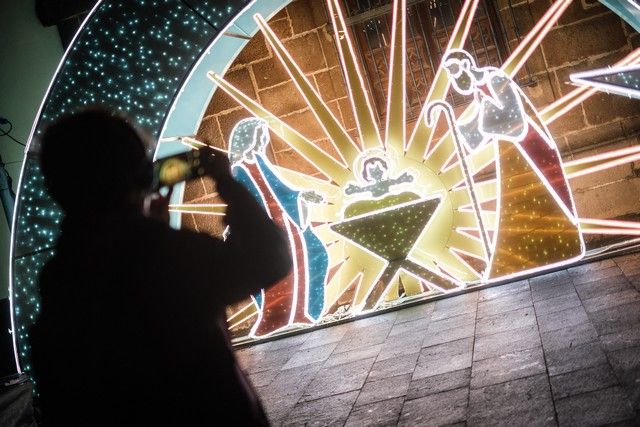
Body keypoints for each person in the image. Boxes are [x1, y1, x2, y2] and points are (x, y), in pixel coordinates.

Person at [28, 107, 291, 425]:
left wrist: (149, 226)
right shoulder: (170, 255)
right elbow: (270, 258)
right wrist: (225, 182)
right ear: (139, 176)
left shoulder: (59, 278)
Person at [227, 118, 328, 338]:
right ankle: (275, 320)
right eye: (261, 135)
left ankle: (299, 313)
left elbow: (282, 191)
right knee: (279, 273)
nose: (265, 139)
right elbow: (248, 200)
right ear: (251, 137)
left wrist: (303, 196)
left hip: (284, 222)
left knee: (306, 262)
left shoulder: (258, 161)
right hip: (266, 229)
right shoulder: (240, 169)